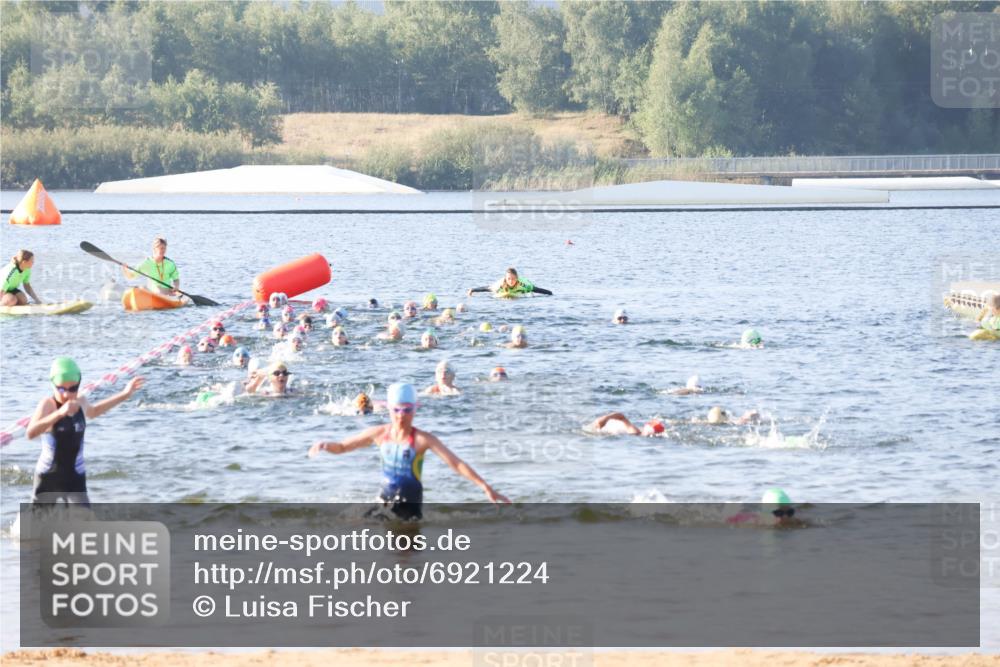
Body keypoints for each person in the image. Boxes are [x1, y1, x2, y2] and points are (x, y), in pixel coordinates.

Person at [308, 382, 510, 519]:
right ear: (389, 409)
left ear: (415, 409)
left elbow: (456, 463)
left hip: (410, 505)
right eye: (397, 410)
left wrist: (485, 486)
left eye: (407, 410)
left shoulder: (422, 439)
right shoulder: (379, 433)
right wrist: (325, 445)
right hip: (384, 500)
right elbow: (343, 447)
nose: (401, 415)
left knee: (405, 558)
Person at [26, 357, 144, 506]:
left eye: (72, 389)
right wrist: (60, 413)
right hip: (48, 477)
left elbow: (95, 411)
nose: (66, 394)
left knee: (86, 523)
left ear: (78, 385)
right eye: (61, 389)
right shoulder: (47, 405)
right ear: (53, 385)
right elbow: (30, 433)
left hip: (75, 476)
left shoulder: (80, 401)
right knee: (35, 527)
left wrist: (125, 394)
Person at [726, 488, 801, 527]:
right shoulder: (755, 523)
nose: (785, 516)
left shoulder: (793, 521)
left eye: (790, 512)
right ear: (767, 513)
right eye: (779, 513)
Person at [468, 267, 552, 298]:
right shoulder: (500, 284)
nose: (511, 281)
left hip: (522, 287)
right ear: (506, 279)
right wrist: (473, 290)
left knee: (531, 289)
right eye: (509, 279)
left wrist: (550, 293)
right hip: (504, 291)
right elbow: (486, 288)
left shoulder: (523, 285)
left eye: (513, 278)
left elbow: (537, 289)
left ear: (516, 278)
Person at [587, 413, 665, 437]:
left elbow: (621, 416)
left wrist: (605, 419)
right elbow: (621, 416)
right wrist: (605, 419)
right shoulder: (635, 432)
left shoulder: (635, 432)